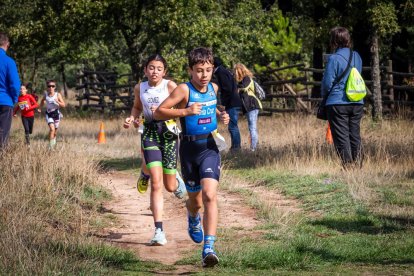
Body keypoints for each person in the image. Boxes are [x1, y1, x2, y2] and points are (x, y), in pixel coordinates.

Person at [154, 47, 230, 267]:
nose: (203, 75)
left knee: (210, 195)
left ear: (212, 69)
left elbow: (212, 107)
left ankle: (209, 247)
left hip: (209, 147)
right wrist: (185, 112)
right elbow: (160, 111)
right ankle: (193, 215)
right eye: (198, 70)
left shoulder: (214, 88)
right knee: (196, 202)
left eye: (207, 70)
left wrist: (221, 115)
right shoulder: (183, 91)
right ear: (190, 70)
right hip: (188, 151)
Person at [123, 54, 187, 246]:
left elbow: (183, 104)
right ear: (145, 70)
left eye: (159, 68)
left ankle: (173, 177)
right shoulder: (139, 87)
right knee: (157, 184)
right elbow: (136, 107)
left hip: (168, 134)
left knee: (170, 187)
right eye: (151, 68)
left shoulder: (170, 86)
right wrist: (131, 118)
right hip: (149, 132)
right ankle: (159, 230)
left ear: (164, 72)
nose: (155, 72)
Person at [321, 27, 364, 168]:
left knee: (341, 136)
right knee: (354, 134)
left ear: (333, 41)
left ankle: (348, 165)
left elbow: (327, 83)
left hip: (338, 102)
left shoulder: (334, 59)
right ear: (347, 39)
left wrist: (324, 97)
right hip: (357, 101)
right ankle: (358, 164)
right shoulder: (356, 56)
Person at [213, 57, 242, 151]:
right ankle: (235, 147)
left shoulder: (220, 72)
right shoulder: (224, 71)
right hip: (233, 101)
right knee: (232, 126)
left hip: (231, 102)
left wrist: (223, 102)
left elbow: (227, 88)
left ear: (213, 65)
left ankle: (236, 148)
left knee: (233, 126)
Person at [233, 63, 262, 151]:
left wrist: (236, 87)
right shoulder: (242, 80)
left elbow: (244, 88)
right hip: (249, 107)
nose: (235, 74)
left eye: (236, 71)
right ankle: (254, 146)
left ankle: (253, 148)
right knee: (251, 127)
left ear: (240, 70)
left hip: (252, 105)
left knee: (252, 127)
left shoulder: (246, 79)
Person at [0, 32, 20, 149]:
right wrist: (13, 100)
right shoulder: (9, 62)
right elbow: (15, 85)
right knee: (3, 135)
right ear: (7, 44)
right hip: (5, 101)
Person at [38, 80, 65, 149]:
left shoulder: (57, 95)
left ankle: (53, 143)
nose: (51, 87)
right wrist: (40, 108)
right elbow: (42, 101)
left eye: (53, 86)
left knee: (55, 132)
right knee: (52, 129)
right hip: (49, 114)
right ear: (47, 87)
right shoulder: (46, 95)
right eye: (49, 86)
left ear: (55, 87)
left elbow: (63, 105)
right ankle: (50, 147)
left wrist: (58, 101)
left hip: (56, 114)